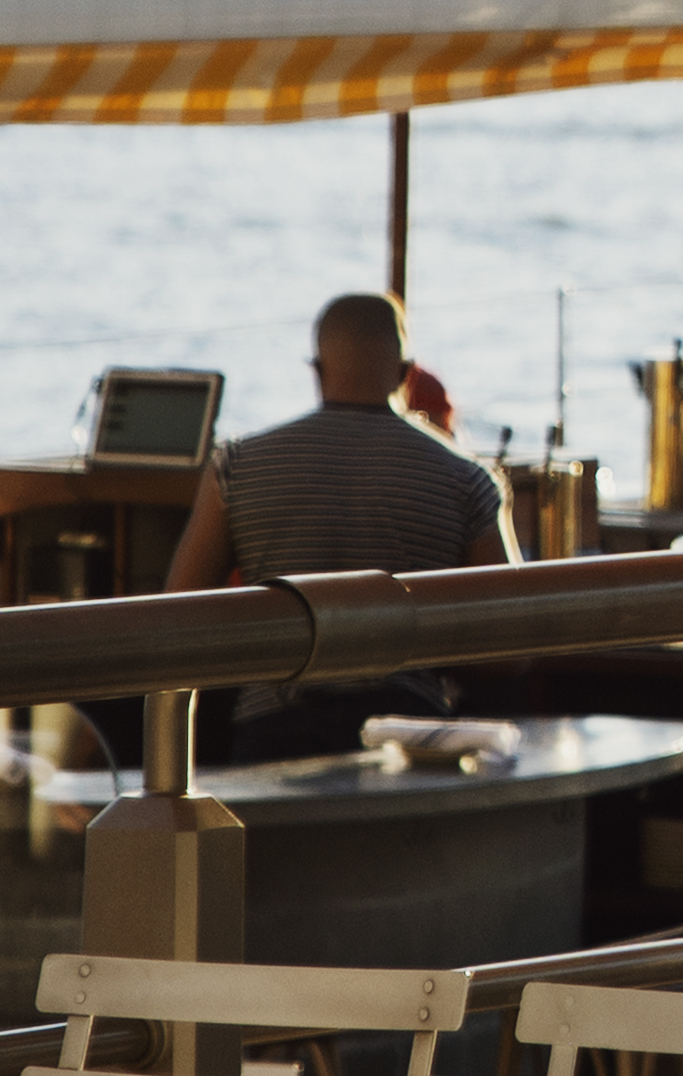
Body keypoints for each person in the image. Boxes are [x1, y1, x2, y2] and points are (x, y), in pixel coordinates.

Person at [169, 289, 512, 758]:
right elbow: (512, 649)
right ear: (405, 373)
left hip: (273, 727)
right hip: (408, 730)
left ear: (317, 369)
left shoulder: (237, 466)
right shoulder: (466, 478)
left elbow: (178, 616)